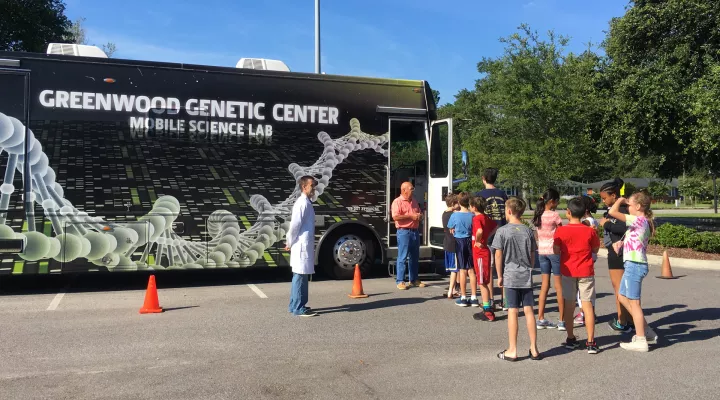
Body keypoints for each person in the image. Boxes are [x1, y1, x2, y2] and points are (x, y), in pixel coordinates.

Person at [609, 191, 659, 352]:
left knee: (634, 304)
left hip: (635, 265)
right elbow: (632, 238)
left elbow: (612, 212)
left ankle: (641, 339)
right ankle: (646, 330)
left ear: (638, 206)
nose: (626, 206)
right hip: (633, 263)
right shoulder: (639, 222)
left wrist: (620, 201)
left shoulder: (639, 220)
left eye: (629, 205)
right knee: (622, 297)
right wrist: (620, 243)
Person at [493, 198, 542, 361]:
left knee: (513, 311)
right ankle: (534, 348)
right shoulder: (527, 231)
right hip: (526, 274)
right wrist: (530, 266)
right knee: (529, 310)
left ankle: (512, 349)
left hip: (510, 274)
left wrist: (499, 275)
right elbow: (533, 253)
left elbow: (498, 254)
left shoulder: (502, 231)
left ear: (508, 211)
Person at [553, 197, 600, 354]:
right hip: (586, 271)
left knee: (569, 304)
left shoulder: (561, 231)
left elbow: (556, 250)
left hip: (568, 271)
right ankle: (591, 341)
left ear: (568, 212)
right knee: (587, 305)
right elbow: (595, 249)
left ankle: (571, 337)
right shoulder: (590, 231)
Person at [598, 178, 632, 332]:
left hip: (619, 253)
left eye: (605, 198)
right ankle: (630, 320)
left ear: (614, 195)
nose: (603, 201)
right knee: (623, 288)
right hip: (616, 252)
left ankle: (622, 321)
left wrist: (605, 223)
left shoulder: (623, 209)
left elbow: (623, 228)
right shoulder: (615, 209)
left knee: (619, 289)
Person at [531, 188, 565, 330]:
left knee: (545, 285)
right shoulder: (555, 215)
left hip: (542, 251)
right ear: (552, 202)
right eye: (556, 201)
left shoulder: (538, 214)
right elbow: (562, 231)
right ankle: (562, 321)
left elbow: (536, 234)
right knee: (559, 286)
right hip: (554, 251)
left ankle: (540, 318)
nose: (557, 204)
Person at [286, 176, 319, 317]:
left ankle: (296, 305)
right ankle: (299, 307)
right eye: (312, 186)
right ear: (304, 187)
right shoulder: (302, 203)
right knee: (300, 276)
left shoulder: (306, 202)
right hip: (300, 245)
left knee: (301, 276)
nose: (314, 189)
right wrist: (289, 242)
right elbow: (295, 225)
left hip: (302, 244)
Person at [479, 167, 508, 310]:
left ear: (483, 178)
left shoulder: (480, 195)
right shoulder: (502, 194)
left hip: (488, 233)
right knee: (503, 267)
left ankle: (490, 299)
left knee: (489, 267)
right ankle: (505, 300)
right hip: (502, 231)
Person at [392, 181, 426, 290]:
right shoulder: (397, 202)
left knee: (414, 257)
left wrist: (420, 216)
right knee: (402, 257)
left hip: (414, 231)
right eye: (411, 188)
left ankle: (414, 280)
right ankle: (400, 281)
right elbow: (395, 217)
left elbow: (418, 213)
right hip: (403, 232)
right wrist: (410, 216)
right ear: (404, 190)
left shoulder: (414, 201)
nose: (413, 190)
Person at [448, 192, 479, 307]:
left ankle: (464, 297)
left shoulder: (454, 215)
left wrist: (454, 229)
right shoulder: (472, 215)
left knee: (462, 269)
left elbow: (450, 227)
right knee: (471, 270)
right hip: (470, 241)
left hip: (460, 242)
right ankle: (474, 297)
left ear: (459, 202)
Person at [470, 196, 498, 320]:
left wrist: (478, 240)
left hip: (480, 252)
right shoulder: (486, 217)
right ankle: (487, 307)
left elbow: (480, 230)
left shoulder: (477, 218)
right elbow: (495, 227)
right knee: (484, 280)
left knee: (482, 282)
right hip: (485, 250)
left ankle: (487, 311)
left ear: (474, 207)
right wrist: (486, 238)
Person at [574, 195, 599, 327]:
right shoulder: (591, 220)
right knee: (587, 287)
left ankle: (584, 312)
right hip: (590, 255)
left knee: (582, 287)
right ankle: (589, 312)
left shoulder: (586, 222)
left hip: (585, 256)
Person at [443, 193, 461, 299]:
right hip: (453, 244)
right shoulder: (453, 215)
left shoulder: (444, 213)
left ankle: (453, 288)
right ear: (453, 203)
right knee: (455, 269)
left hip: (447, 243)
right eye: (457, 203)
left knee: (452, 268)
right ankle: (451, 290)